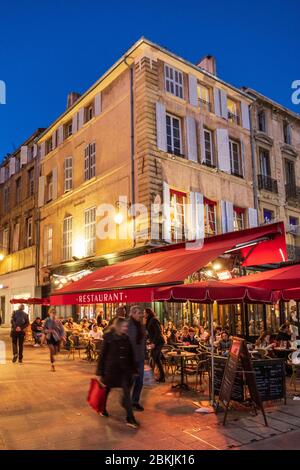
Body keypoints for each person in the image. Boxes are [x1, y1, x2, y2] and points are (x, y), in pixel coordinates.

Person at [96, 317, 138, 428]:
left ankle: (130, 418)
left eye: (126, 326)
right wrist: (100, 372)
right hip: (111, 371)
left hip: (124, 371)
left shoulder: (126, 338)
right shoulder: (109, 338)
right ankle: (102, 408)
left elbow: (131, 355)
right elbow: (102, 355)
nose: (126, 328)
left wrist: (134, 369)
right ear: (118, 326)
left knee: (127, 394)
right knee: (106, 391)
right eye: (124, 326)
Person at [127, 306, 146, 412]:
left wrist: (145, 355)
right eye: (139, 313)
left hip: (140, 357)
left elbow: (143, 341)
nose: (141, 315)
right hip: (131, 358)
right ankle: (126, 401)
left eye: (141, 313)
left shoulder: (141, 325)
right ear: (133, 313)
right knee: (130, 381)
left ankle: (135, 401)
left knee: (140, 381)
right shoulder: (128, 324)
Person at [144, 308, 165, 383]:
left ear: (148, 313)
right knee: (156, 359)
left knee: (154, 357)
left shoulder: (153, 320)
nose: (144, 314)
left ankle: (151, 377)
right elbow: (149, 333)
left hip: (158, 342)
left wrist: (154, 343)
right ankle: (162, 377)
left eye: (144, 313)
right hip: (155, 342)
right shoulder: (149, 321)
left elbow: (158, 332)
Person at [44, 307, 65, 372]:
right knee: (51, 350)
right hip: (49, 337)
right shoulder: (47, 320)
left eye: (54, 313)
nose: (53, 314)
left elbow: (62, 330)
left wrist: (62, 336)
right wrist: (48, 331)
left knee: (55, 352)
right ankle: (52, 365)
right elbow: (43, 329)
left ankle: (53, 358)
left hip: (57, 338)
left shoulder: (58, 321)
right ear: (49, 313)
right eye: (52, 313)